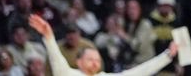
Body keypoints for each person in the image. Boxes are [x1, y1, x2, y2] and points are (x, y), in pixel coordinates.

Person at [28, 15, 178, 76]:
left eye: (97, 59)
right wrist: (48, 37)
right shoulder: (70, 74)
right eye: (90, 59)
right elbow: (57, 62)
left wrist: (167, 55)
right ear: (79, 62)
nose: (94, 63)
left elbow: (140, 72)